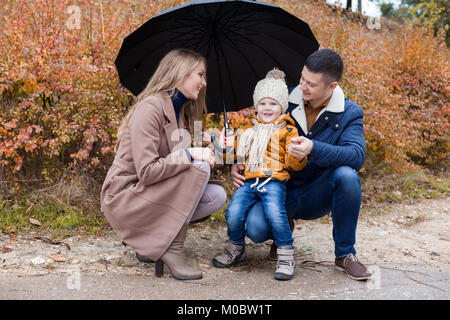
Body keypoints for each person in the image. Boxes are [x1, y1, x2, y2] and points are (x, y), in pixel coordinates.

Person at [230, 49, 372, 281]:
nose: (303, 87)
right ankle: (282, 228)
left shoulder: (350, 113)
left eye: (311, 84)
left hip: (317, 192)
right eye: (302, 78)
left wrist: (313, 148)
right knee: (255, 230)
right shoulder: (284, 98)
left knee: (347, 176)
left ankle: (345, 254)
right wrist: (238, 163)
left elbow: (356, 155)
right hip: (276, 189)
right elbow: (255, 132)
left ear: (331, 87)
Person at [100, 48, 227, 281]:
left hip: (150, 192)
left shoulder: (178, 112)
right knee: (197, 167)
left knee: (217, 195)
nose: (204, 82)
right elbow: (148, 172)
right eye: (200, 74)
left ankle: (152, 241)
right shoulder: (151, 107)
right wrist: (191, 153)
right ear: (181, 73)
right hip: (125, 195)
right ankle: (171, 249)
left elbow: (179, 169)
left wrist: (217, 150)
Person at [213, 69, 307, 280]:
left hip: (273, 181)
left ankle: (285, 254)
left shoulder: (288, 131)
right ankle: (236, 247)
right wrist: (223, 143)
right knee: (233, 212)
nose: (267, 108)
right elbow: (232, 154)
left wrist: (297, 155)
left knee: (275, 213)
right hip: (248, 181)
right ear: (256, 105)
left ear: (282, 106)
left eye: (273, 104)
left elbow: (295, 165)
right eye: (263, 103)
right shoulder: (248, 130)